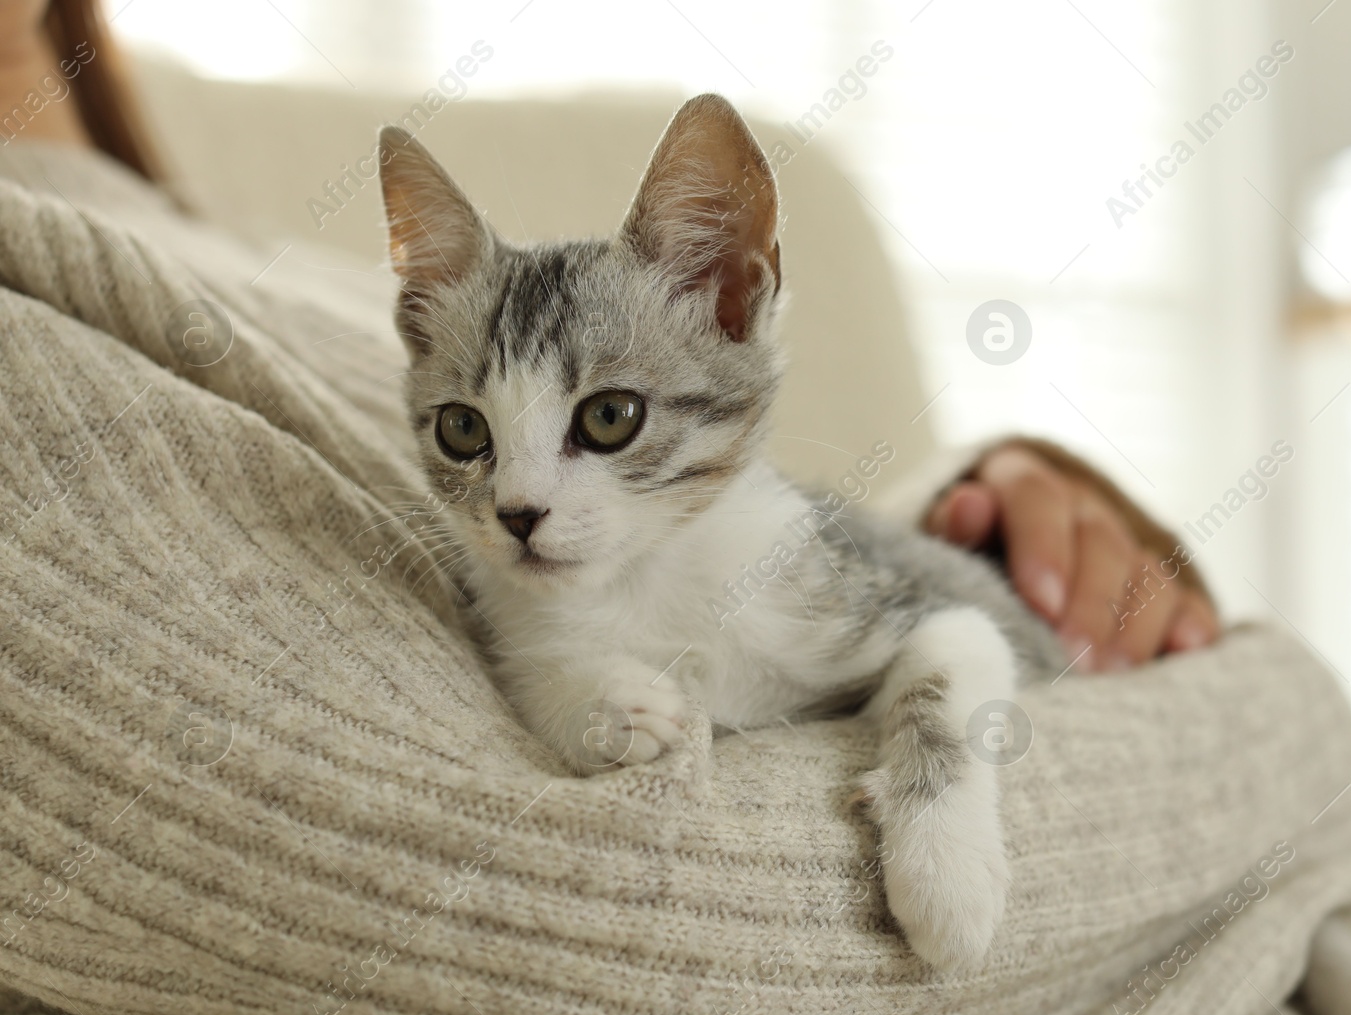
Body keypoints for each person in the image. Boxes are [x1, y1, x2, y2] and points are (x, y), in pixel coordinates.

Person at [0, 0, 1217, 670]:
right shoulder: (44, 295)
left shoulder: (233, 240)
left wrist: (975, 512)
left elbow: (733, 609)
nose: (518, 497)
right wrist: (1258, 743)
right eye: (469, 428)